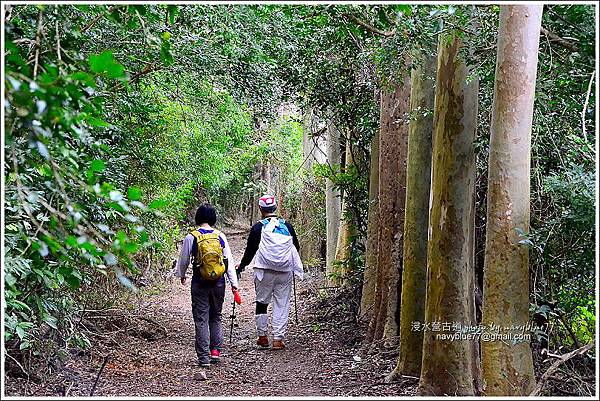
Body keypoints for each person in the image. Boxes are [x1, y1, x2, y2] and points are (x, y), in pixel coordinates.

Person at [175, 203, 239, 367]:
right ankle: (215, 352)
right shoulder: (220, 236)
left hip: (199, 282)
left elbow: (183, 260)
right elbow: (228, 262)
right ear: (213, 218)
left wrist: (181, 274)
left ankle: (203, 358)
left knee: (201, 319)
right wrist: (234, 284)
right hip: (219, 282)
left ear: (198, 217)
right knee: (216, 316)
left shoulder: (192, 236)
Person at [236, 194, 303, 350]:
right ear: (275, 208)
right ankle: (278, 339)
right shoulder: (287, 225)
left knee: (262, 302)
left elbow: (250, 250)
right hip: (284, 271)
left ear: (260, 209)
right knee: (282, 303)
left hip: (263, 270)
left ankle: (262, 336)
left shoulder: (258, 227)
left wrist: (242, 266)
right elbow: (296, 247)